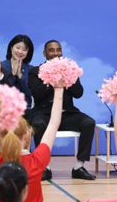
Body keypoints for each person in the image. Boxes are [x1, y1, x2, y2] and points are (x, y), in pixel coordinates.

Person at [0, 84, 66, 202]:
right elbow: (53, 124)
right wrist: (59, 89)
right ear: (26, 136)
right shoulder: (37, 161)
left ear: (0, 137)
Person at [28, 40, 96, 181]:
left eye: (58, 50)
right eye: (51, 50)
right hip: (44, 114)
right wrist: (52, 81)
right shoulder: (35, 71)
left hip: (67, 114)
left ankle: (79, 167)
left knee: (89, 123)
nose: (55, 53)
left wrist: (67, 77)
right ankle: (45, 167)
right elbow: (37, 94)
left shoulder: (70, 68)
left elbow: (79, 93)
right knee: (38, 124)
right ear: (44, 53)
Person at [2, 34, 34, 108]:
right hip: (4, 107)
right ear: (11, 47)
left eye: (24, 50)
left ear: (28, 52)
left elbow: (30, 94)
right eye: (18, 48)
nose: (20, 51)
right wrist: (12, 75)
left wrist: (20, 76)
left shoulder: (32, 70)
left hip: (25, 109)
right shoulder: (0, 66)